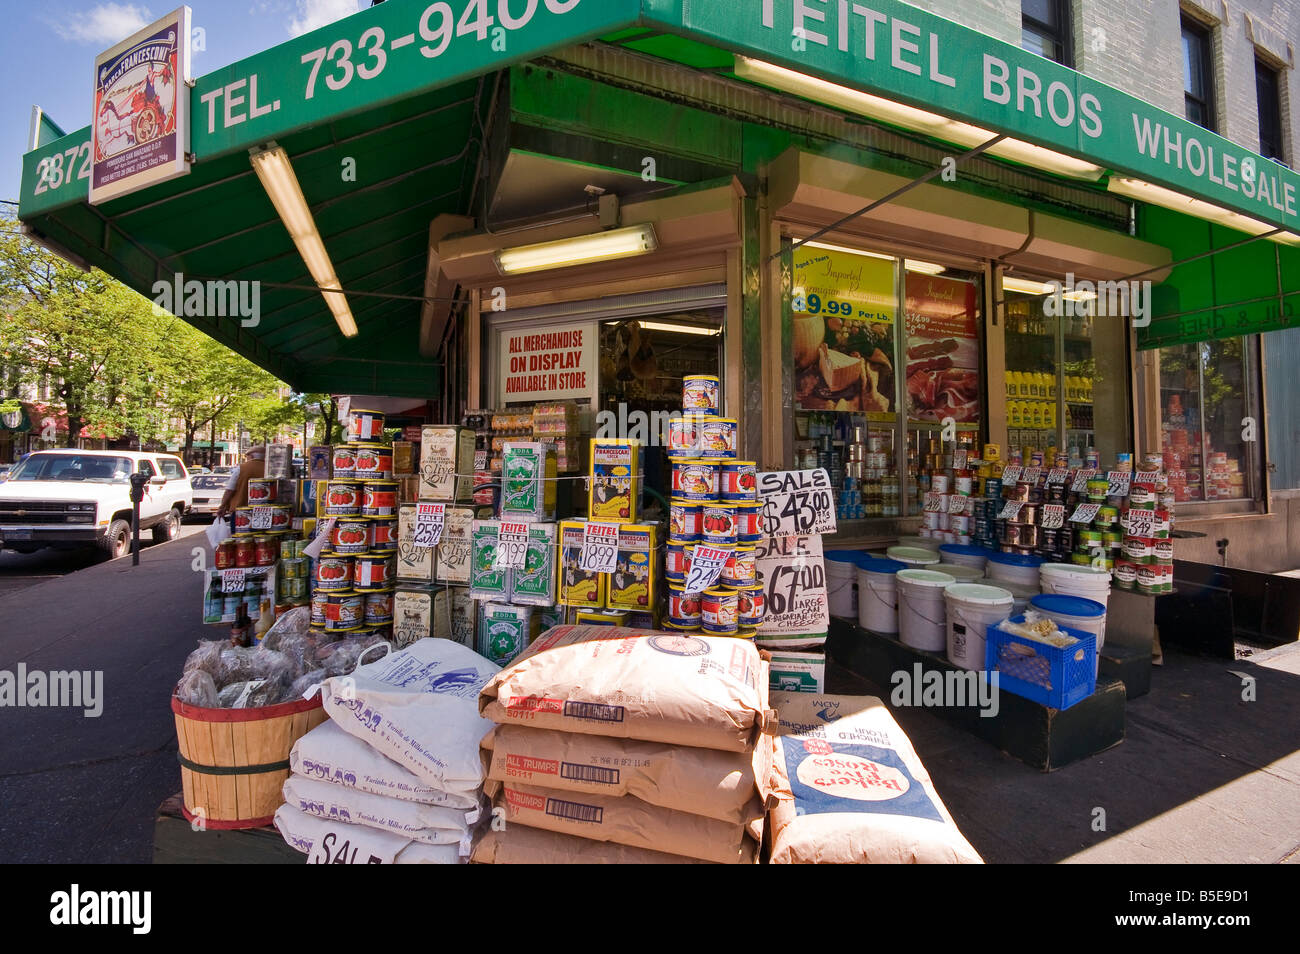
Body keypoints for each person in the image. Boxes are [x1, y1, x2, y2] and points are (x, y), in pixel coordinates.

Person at [215, 445, 267, 529]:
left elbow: (230, 490)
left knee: (240, 538)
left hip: (241, 511)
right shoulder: (269, 469)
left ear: (252, 456)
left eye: (247, 457)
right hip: (265, 512)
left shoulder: (241, 468)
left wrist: (222, 506)